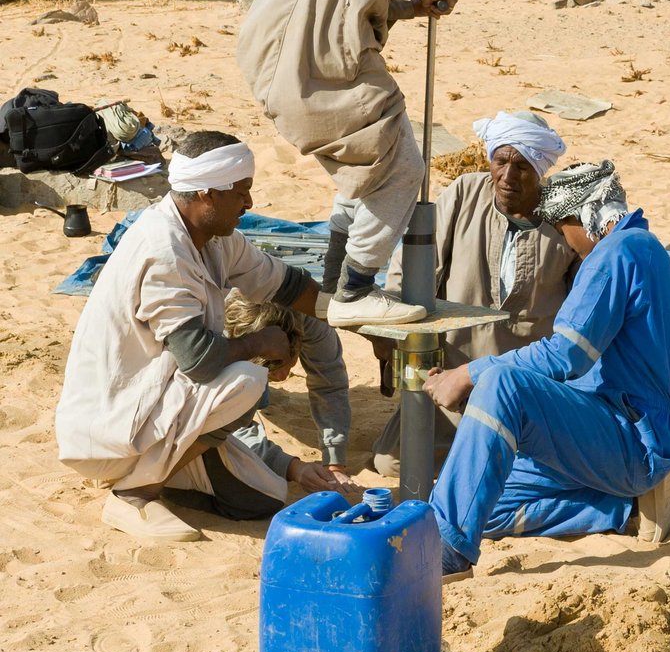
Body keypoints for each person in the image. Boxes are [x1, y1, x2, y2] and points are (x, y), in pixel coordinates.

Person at [237, 0, 488, 328]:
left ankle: (334, 283)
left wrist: (408, 7)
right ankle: (356, 290)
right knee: (402, 166)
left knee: (368, 164)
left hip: (301, 42)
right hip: (307, 49)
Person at [55, 131, 356, 544]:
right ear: (206, 194)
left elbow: (283, 284)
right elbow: (198, 359)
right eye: (241, 192)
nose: (249, 204)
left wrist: (350, 313)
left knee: (264, 497)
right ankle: (133, 493)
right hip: (113, 421)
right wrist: (259, 343)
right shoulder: (164, 251)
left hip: (159, 408)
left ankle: (159, 472)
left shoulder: (214, 239)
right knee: (247, 379)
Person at [423, 161, 670, 577]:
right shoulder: (645, 248)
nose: (563, 241)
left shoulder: (615, 253)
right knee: (473, 500)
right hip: (618, 436)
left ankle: (446, 555)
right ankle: (624, 508)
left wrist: (468, 373)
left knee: (501, 384)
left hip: (630, 439)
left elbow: (566, 356)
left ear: (582, 216)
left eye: (561, 228)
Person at [371, 110, 577, 475]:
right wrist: (393, 325)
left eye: (522, 167)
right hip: (452, 376)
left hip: (523, 385)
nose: (507, 177)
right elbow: (416, 267)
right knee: (392, 463)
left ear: (540, 169)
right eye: (501, 162)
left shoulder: (563, 219)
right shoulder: (467, 193)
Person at [223, 291, 352, 479]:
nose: (284, 377)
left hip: (291, 311)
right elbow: (230, 429)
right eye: (275, 371)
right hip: (228, 340)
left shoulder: (311, 315)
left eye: (289, 365)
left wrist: (335, 463)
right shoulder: (215, 331)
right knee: (255, 396)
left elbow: (330, 384)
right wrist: (292, 467)